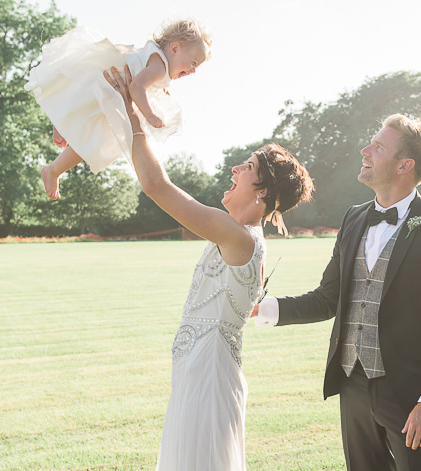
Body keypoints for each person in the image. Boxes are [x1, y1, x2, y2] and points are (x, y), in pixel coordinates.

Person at [104, 65, 314, 470]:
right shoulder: (233, 233)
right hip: (195, 371)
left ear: (263, 192)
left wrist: (132, 112)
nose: (235, 168)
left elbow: (156, 187)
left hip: (209, 378)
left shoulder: (240, 237)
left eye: (247, 167)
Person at [254, 114, 421, 471]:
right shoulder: (354, 218)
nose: (365, 150)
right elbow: (327, 299)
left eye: (378, 147)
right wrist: (262, 309)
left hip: (410, 393)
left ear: (405, 164)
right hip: (352, 384)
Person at [25, 18, 211, 199]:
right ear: (175, 48)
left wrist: (159, 89)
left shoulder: (156, 58)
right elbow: (136, 87)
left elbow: (142, 79)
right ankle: (53, 170)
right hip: (111, 89)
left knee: (83, 113)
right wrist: (150, 115)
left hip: (103, 81)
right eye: (193, 63)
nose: (193, 71)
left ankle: (61, 129)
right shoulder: (159, 68)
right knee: (94, 140)